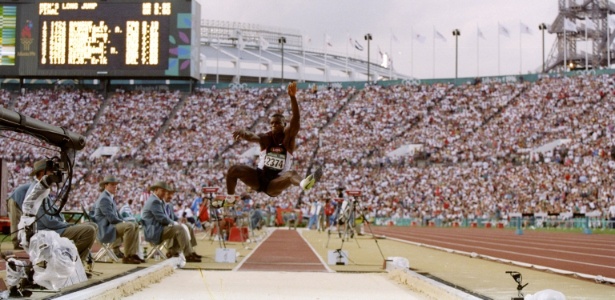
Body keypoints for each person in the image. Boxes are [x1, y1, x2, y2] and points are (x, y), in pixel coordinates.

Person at [214, 81, 322, 208]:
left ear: (284, 125)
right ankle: (230, 200)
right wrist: (244, 133)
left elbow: (296, 119)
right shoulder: (265, 137)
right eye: (271, 123)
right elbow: (253, 137)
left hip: (275, 182)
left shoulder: (288, 140)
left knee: (291, 174)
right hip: (259, 177)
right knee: (233, 170)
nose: (273, 126)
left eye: (277, 123)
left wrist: (293, 97)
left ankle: (303, 183)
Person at [27, 159, 98, 264]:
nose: (54, 175)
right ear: (42, 173)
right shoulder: (37, 191)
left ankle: (75, 262)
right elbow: (47, 221)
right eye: (51, 172)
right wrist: (66, 225)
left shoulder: (42, 188)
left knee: (93, 225)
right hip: (47, 232)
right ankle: (70, 263)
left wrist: (66, 225)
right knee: (89, 230)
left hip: (51, 230)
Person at [141, 181, 201, 262]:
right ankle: (188, 254)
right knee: (179, 229)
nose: (164, 193)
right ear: (156, 190)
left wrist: (174, 222)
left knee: (180, 227)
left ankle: (177, 251)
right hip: (154, 231)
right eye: (162, 191)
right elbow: (161, 218)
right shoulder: (154, 201)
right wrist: (173, 223)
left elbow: (163, 218)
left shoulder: (158, 200)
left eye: (164, 191)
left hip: (158, 228)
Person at [92, 175, 143, 264]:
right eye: (112, 185)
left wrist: (124, 221)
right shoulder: (104, 198)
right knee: (130, 226)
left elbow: (117, 216)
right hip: (105, 230)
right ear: (105, 186)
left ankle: (132, 254)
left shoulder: (109, 197)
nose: (115, 187)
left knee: (134, 224)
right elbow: (112, 218)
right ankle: (127, 256)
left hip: (110, 227)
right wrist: (124, 222)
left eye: (116, 185)